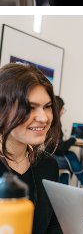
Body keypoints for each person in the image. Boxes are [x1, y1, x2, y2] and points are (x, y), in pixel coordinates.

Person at [0, 63, 63, 233]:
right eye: (29, 107)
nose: (43, 118)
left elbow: (53, 226)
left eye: (47, 107)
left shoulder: (48, 165)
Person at [48, 97, 83, 188]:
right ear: (59, 109)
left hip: (51, 155)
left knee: (71, 156)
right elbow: (60, 148)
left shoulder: (53, 122)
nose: (63, 111)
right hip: (53, 157)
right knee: (71, 159)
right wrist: (73, 139)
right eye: (63, 108)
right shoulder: (54, 124)